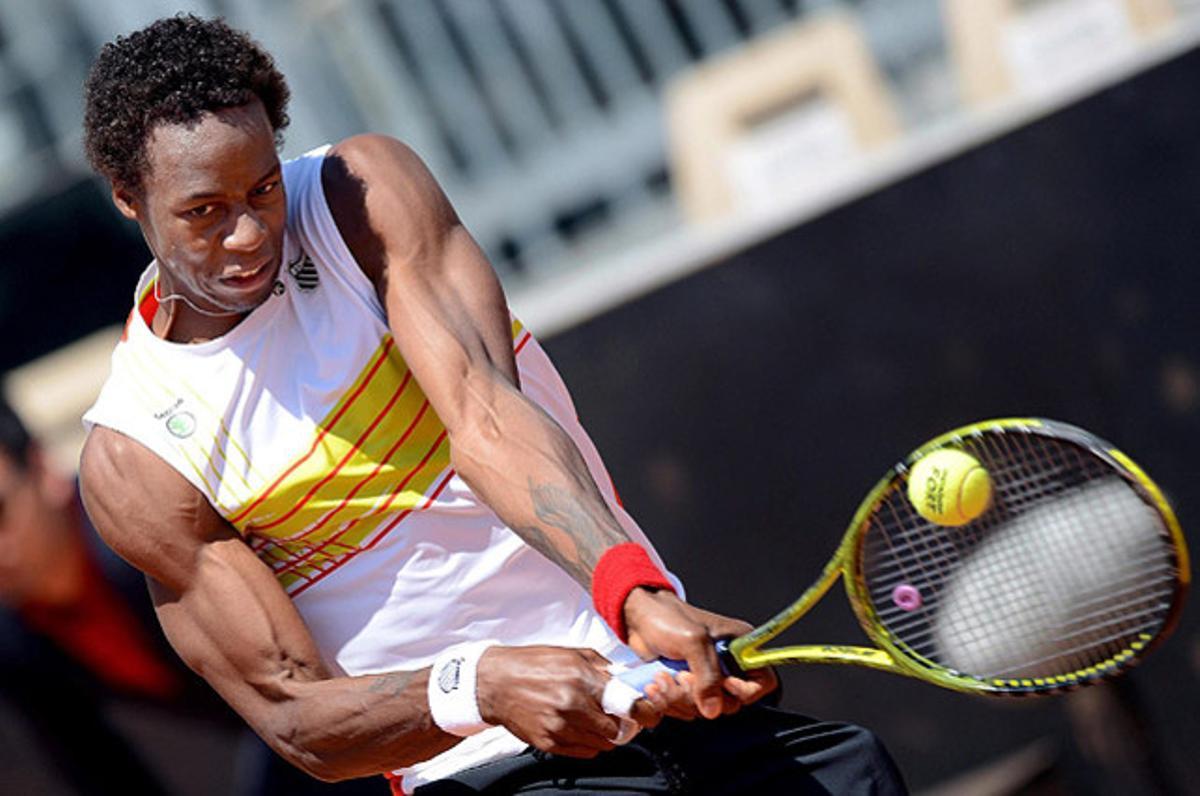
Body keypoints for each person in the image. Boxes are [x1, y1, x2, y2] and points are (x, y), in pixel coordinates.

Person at [77, 15, 906, 794]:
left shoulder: (358, 199)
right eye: (204, 213)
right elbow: (298, 721)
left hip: (651, 677)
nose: (250, 233)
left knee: (857, 772)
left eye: (261, 190)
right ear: (127, 198)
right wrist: (480, 686)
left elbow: (484, 415)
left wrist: (636, 595)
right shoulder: (138, 454)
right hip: (484, 770)